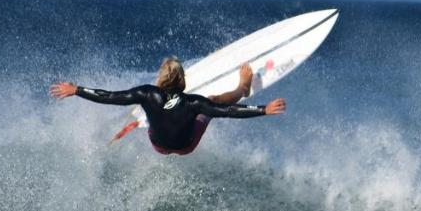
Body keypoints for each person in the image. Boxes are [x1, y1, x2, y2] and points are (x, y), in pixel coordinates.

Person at [50, 58, 286, 155]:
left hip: (158, 145)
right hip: (186, 146)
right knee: (213, 101)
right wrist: (263, 109)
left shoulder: (146, 93)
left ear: (160, 78)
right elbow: (229, 112)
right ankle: (242, 88)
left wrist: (77, 90)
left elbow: (110, 96)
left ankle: (148, 119)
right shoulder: (194, 103)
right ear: (182, 80)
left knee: (151, 111)